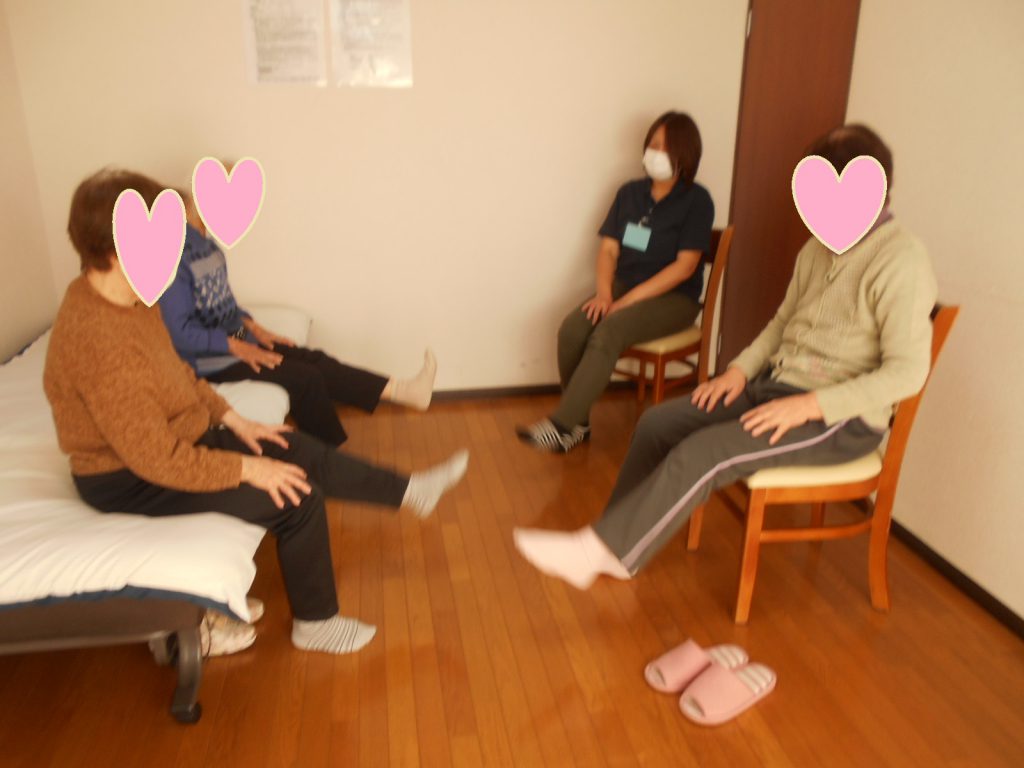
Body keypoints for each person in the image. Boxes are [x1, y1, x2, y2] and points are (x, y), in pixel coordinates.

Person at [44, 169, 469, 655]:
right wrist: (249, 469)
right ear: (116, 249)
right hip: (127, 476)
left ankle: (412, 492)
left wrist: (233, 419)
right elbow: (155, 459)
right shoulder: (99, 342)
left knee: (291, 445)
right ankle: (316, 624)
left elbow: (177, 374)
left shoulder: (135, 298)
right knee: (295, 497)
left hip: (178, 437)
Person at [513, 124, 937, 589]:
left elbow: (908, 372)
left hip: (841, 419)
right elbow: (781, 324)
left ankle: (605, 550)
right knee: (657, 423)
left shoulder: (903, 259)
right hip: (775, 387)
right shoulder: (816, 251)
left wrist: (811, 405)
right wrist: (737, 372)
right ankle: (611, 540)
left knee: (704, 452)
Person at [158, 190, 436, 447]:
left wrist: (254, 328)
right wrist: (235, 346)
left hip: (236, 337)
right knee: (305, 379)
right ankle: (329, 460)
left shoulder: (210, 248)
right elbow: (180, 333)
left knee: (312, 359)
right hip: (209, 359)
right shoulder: (173, 261)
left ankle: (402, 391)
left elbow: (227, 304)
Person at [516, 111, 715, 452]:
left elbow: (684, 268)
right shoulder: (629, 193)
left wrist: (625, 303)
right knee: (573, 330)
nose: (656, 153)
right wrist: (605, 294)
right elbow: (609, 249)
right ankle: (579, 424)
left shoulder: (697, 201)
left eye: (666, 147)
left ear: (685, 154)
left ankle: (562, 425)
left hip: (674, 298)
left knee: (609, 332)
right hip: (623, 286)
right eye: (653, 144)